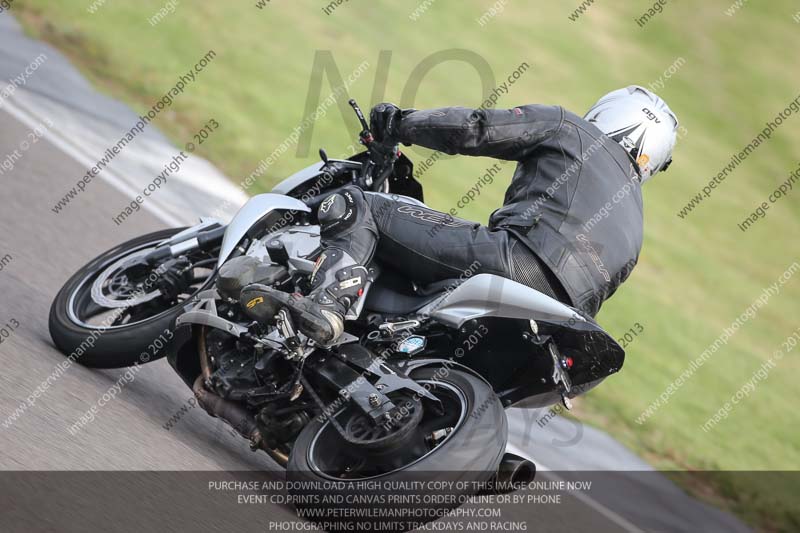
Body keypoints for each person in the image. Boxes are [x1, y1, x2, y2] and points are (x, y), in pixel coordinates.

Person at [244, 85, 679, 344]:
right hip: (560, 319)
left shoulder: (572, 129)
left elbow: (473, 129)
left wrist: (400, 124)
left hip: (514, 259)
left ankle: (327, 305)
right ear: (654, 161)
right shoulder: (637, 226)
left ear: (605, 113)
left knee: (363, 208)